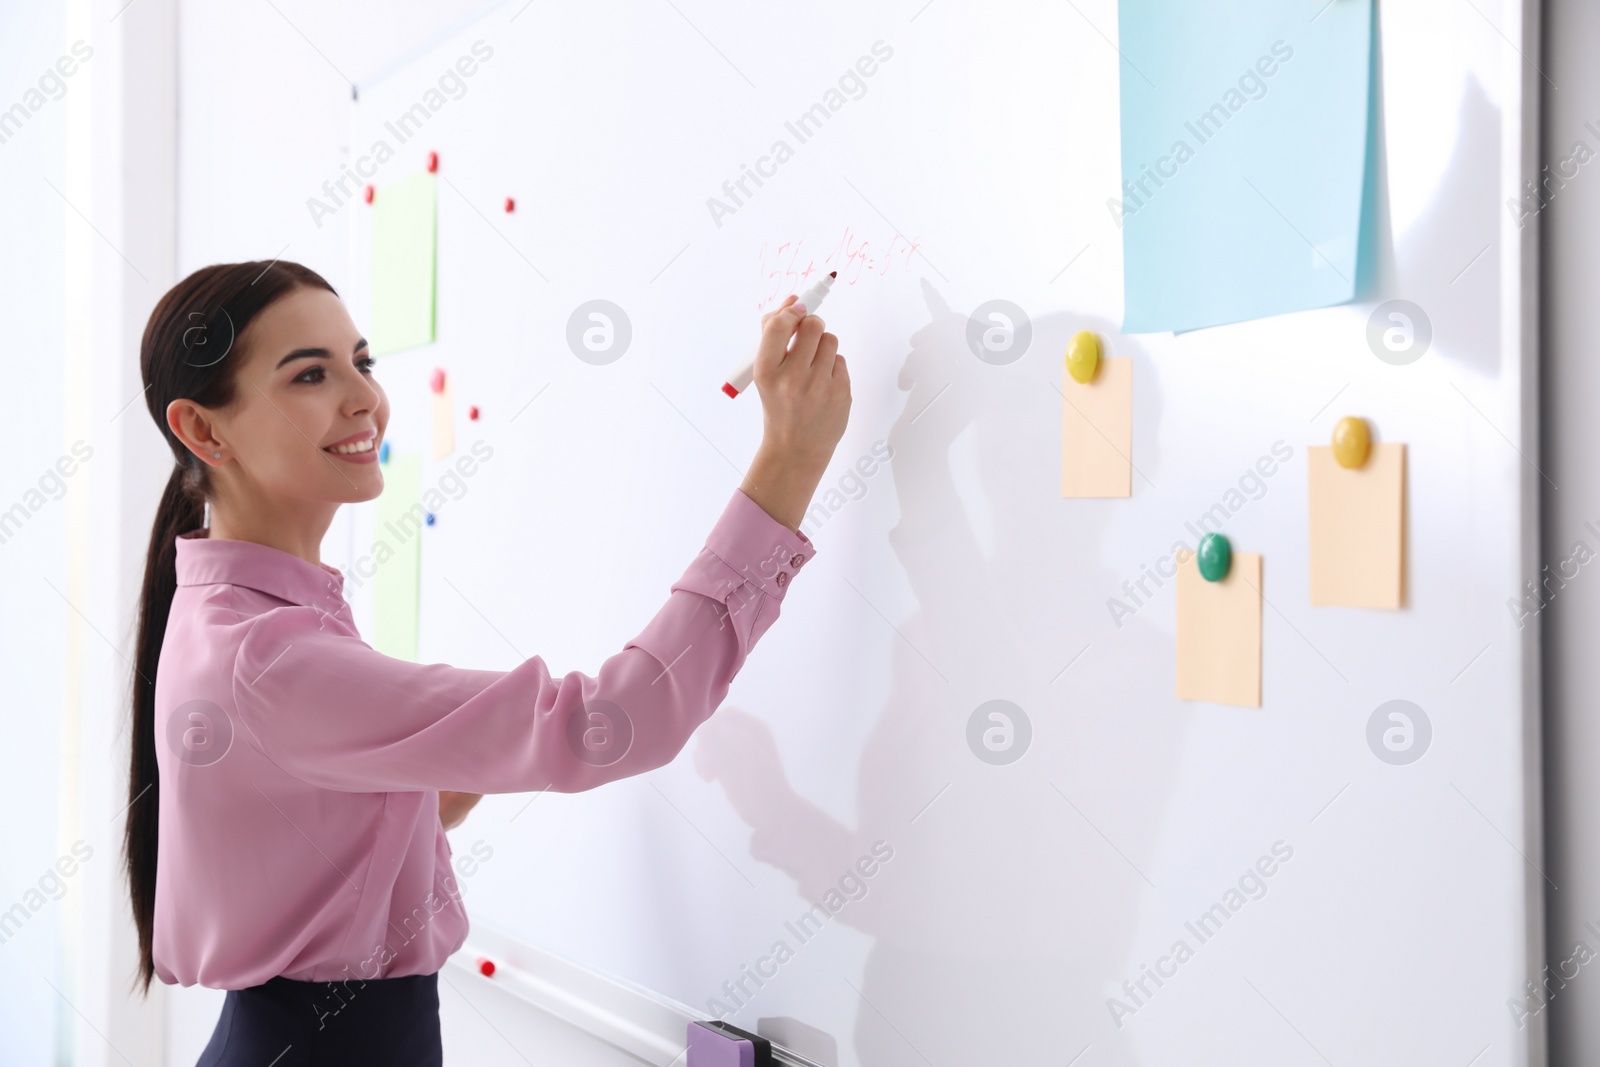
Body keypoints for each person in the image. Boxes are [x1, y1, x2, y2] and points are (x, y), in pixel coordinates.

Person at [121, 260, 849, 1064]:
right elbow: (613, 724)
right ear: (203, 430)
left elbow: (304, 838)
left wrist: (413, 802)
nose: (364, 398)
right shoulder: (266, 654)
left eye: (360, 361)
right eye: (309, 375)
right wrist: (790, 463)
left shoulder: (237, 615)